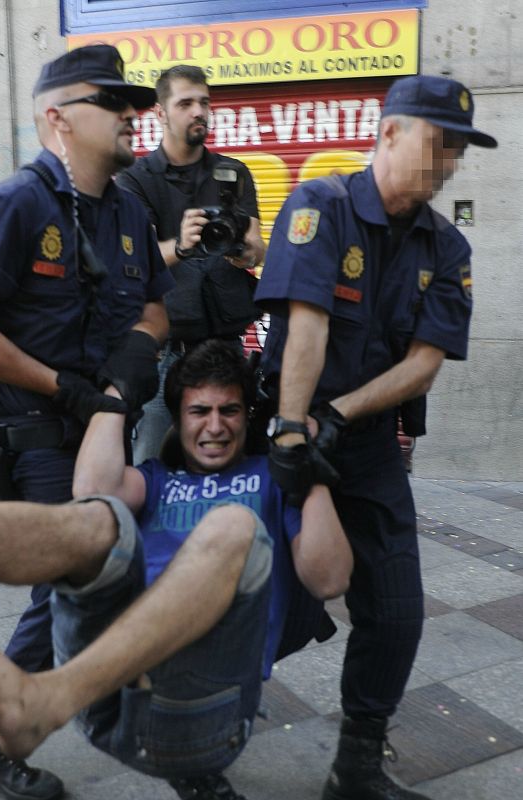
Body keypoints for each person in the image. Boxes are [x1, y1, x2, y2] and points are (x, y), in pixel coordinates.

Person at [0, 340, 351, 800]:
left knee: (232, 527)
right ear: (178, 418)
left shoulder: (273, 482)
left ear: (245, 417)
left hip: (205, 700)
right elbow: (91, 490)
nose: (214, 426)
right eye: (198, 411)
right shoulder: (156, 477)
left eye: (228, 410)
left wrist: (312, 472)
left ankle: (50, 698)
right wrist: (115, 398)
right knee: (100, 517)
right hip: (109, 695)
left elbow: (328, 580)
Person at [0, 44, 173, 800]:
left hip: (103, 430)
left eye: (135, 103)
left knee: (102, 573)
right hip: (36, 436)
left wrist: (130, 365)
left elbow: (156, 306)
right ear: (57, 118)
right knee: (68, 581)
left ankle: (83, 698)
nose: (134, 116)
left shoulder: (128, 207)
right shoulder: (16, 205)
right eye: (113, 102)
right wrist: (61, 388)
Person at [254, 74, 498, 800]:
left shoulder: (446, 247)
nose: (447, 161)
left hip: (360, 446)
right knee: (252, 605)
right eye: (436, 143)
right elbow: (307, 324)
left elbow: (422, 365)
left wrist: (341, 415)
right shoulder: (320, 205)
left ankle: (355, 768)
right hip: (285, 437)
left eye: (456, 150)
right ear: (388, 132)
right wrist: (296, 430)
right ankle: (189, 732)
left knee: (394, 610)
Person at [115, 65, 266, 463]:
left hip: (224, 347)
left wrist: (243, 251)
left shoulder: (233, 173)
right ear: (161, 113)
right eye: (185, 103)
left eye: (204, 102)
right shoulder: (135, 179)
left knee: (228, 462)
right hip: (165, 352)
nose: (198, 111)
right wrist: (180, 245)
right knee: (151, 460)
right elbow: (135, 261)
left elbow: (256, 248)